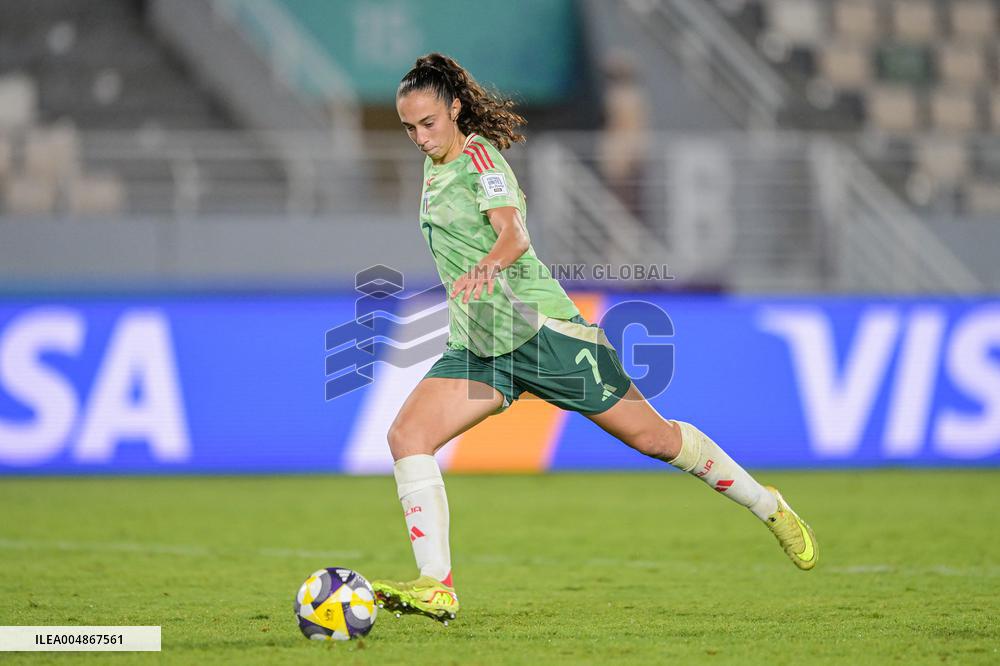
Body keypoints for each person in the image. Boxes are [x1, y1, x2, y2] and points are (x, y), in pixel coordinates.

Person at [372, 53, 817, 623]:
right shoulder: (434, 167)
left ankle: (767, 505)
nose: (419, 137)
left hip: (544, 337)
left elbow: (513, 232)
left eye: (428, 123)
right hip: (482, 349)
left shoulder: (479, 157)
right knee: (407, 436)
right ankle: (437, 585)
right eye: (409, 127)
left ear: (455, 109)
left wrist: (489, 264)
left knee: (656, 440)